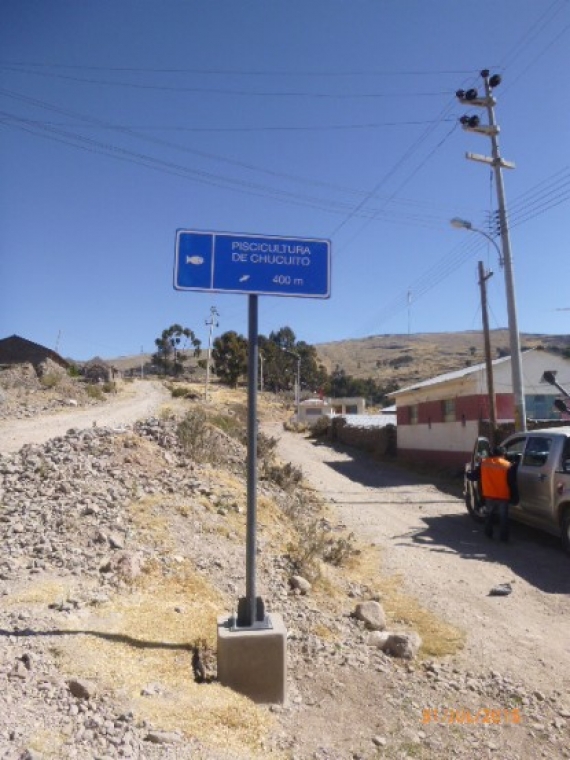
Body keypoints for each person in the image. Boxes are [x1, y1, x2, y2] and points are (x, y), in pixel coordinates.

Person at [479, 445, 514, 542]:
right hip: (503, 495)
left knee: (489, 515)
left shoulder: (484, 463)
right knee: (503, 517)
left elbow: (476, 475)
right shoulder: (507, 465)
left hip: (489, 494)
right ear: (503, 454)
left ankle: (488, 533)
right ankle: (504, 538)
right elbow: (511, 481)